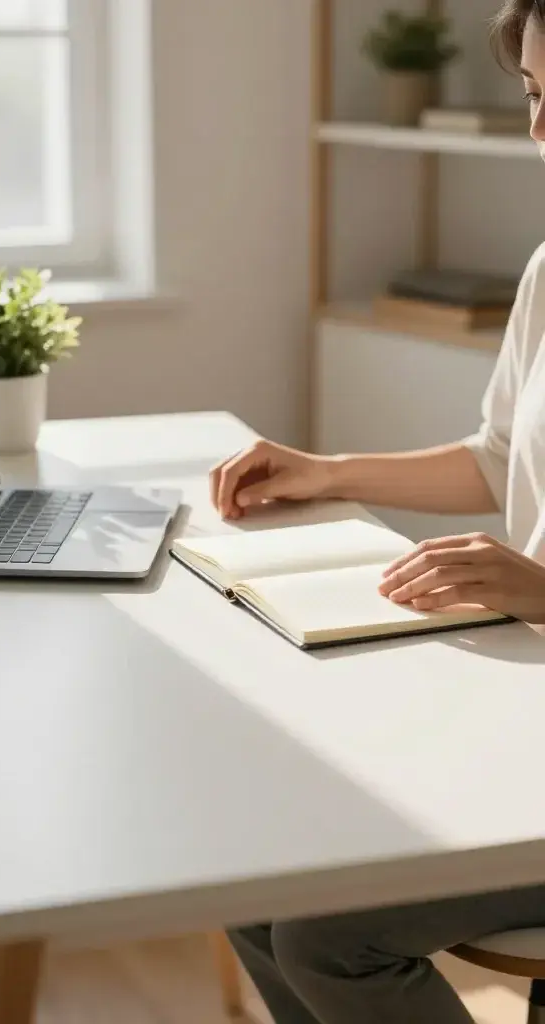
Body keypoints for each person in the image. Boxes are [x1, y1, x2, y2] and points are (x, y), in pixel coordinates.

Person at [208, 3, 545, 1022]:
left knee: (329, 932)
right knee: (246, 873)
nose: (542, 132)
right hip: (521, 706)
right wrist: (327, 471)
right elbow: (498, 457)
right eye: (535, 96)